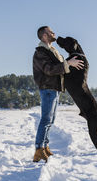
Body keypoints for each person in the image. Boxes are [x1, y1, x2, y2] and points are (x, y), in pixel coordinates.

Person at [32, 26, 84, 162]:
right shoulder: (41, 52)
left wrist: (70, 65)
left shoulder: (53, 51)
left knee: (51, 120)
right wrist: (68, 63)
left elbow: (60, 68)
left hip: (54, 89)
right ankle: (38, 149)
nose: (54, 33)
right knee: (45, 120)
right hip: (48, 88)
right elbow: (49, 69)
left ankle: (45, 146)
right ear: (44, 36)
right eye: (50, 32)